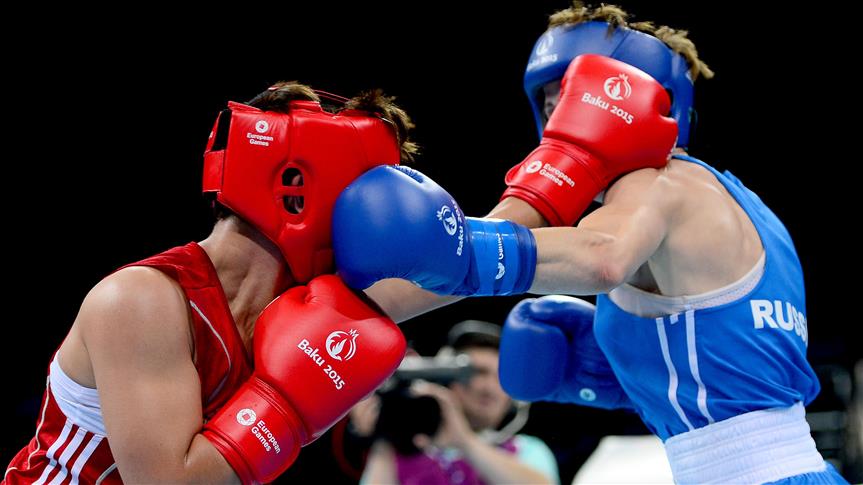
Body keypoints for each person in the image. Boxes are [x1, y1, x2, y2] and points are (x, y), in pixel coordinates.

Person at [331, 3, 849, 483]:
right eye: (551, 106)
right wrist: (623, 376)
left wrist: (440, 248)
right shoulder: (742, 207)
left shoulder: (663, 181)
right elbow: (733, 377)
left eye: (576, 99)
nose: (562, 122)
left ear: (638, 98)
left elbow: (601, 259)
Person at [3, 83, 414, 484]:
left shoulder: (310, 299)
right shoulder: (140, 302)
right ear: (295, 190)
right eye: (366, 193)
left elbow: (447, 274)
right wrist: (284, 407)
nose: (385, 216)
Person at [357, 320, 559, 485]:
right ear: (447, 379)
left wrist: (463, 440)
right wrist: (383, 437)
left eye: (501, 377)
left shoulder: (528, 450)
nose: (488, 387)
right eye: (477, 372)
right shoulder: (402, 452)